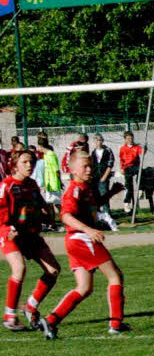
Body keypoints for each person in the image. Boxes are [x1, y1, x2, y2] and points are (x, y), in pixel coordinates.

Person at [38, 150, 126, 340]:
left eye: (90, 166)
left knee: (84, 287)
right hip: (82, 239)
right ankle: (116, 324)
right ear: (73, 169)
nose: (89, 169)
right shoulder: (74, 189)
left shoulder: (85, 188)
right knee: (115, 276)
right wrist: (89, 230)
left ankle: (51, 320)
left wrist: (111, 192)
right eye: (85, 166)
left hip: (74, 241)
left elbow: (92, 207)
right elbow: (66, 216)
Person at [0, 151, 61, 331]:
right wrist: (9, 229)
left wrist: (47, 214)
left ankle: (30, 306)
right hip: (10, 234)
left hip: (31, 235)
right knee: (19, 268)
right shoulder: (6, 186)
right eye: (25, 162)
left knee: (53, 271)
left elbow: (41, 204)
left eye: (32, 162)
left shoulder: (32, 185)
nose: (29, 165)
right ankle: (10, 315)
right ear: (14, 164)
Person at [36, 132, 62, 231]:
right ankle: (53, 224)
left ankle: (68, 223)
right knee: (49, 205)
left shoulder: (51, 155)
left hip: (54, 184)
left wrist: (59, 182)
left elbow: (56, 170)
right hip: (48, 184)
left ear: (41, 146)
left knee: (57, 204)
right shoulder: (45, 155)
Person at [92, 134, 118, 231]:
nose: (98, 142)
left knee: (104, 197)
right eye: (97, 140)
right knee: (96, 198)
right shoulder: (93, 152)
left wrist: (105, 176)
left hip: (104, 176)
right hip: (95, 177)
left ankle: (109, 219)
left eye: (100, 140)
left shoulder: (108, 150)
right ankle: (98, 220)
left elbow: (110, 164)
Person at [119, 131, 143, 213]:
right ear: (125, 139)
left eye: (131, 138)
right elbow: (121, 159)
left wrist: (145, 149)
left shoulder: (137, 147)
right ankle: (126, 202)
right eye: (128, 138)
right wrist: (121, 168)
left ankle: (140, 189)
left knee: (141, 172)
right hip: (127, 167)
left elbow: (142, 153)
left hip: (135, 166)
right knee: (129, 186)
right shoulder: (123, 148)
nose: (130, 139)